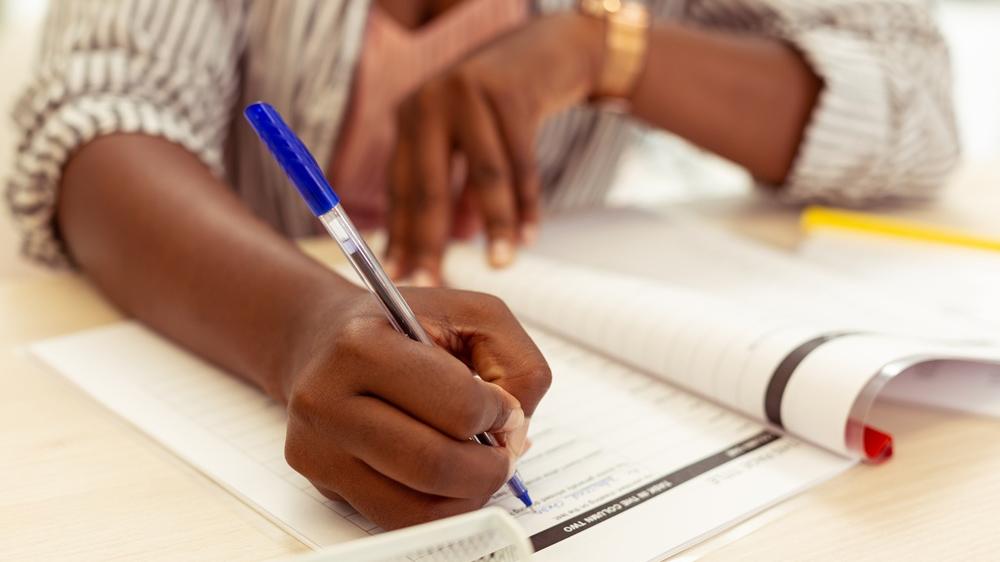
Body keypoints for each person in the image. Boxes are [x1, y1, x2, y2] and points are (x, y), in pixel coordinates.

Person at [5, 0, 956, 529]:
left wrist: (605, 48)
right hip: (167, 401)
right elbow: (97, 127)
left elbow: (918, 109)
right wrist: (302, 326)